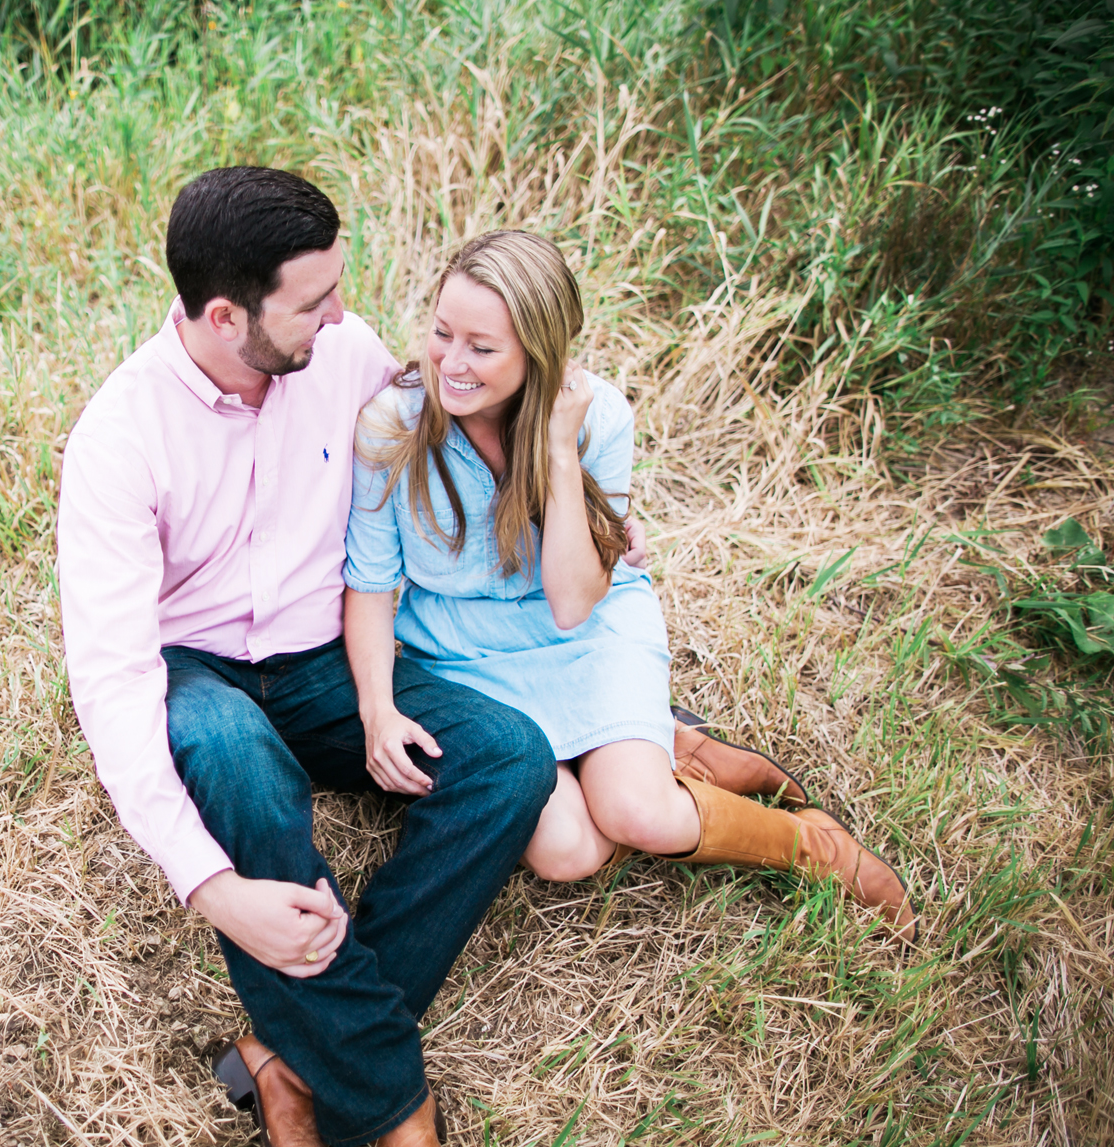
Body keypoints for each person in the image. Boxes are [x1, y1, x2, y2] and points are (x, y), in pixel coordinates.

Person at [57, 168, 560, 1147]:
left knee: (509, 759)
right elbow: (113, 681)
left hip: (325, 656)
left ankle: (289, 1054)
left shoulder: (345, 355)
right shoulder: (118, 441)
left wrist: (578, 484)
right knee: (229, 755)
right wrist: (215, 890)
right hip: (195, 672)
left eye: (338, 287)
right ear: (220, 316)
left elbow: (463, 430)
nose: (341, 315)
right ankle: (389, 1105)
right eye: (312, 301)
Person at [342, 230, 917, 943]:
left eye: (482, 348)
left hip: (585, 632)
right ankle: (668, 744)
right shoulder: (391, 425)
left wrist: (555, 446)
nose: (450, 363)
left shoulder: (598, 417)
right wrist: (376, 710)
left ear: (539, 350)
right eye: (440, 333)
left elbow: (573, 601)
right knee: (566, 850)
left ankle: (811, 845)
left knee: (639, 814)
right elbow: (369, 584)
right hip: (465, 657)